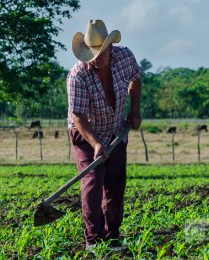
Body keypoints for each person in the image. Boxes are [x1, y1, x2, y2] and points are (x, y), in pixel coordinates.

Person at [66, 19, 142, 250]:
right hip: (85, 132)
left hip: (115, 129)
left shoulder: (125, 57)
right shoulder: (77, 75)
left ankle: (113, 237)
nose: (95, 59)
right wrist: (96, 143)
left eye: (100, 53)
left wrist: (135, 111)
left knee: (115, 183)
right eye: (91, 54)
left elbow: (136, 80)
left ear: (110, 48)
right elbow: (78, 116)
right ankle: (93, 240)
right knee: (92, 182)